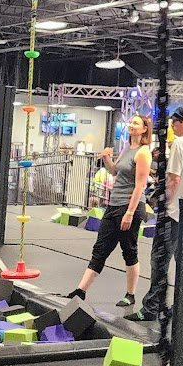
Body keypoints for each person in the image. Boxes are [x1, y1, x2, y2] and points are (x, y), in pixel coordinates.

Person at [64, 115, 151, 309]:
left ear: (144, 129)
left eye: (136, 123)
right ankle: (81, 290)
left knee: (129, 250)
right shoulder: (127, 148)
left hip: (130, 206)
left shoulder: (143, 152)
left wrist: (130, 213)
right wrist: (106, 158)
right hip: (113, 205)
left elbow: (140, 185)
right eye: (131, 122)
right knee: (100, 249)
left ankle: (130, 294)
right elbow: (114, 171)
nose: (131, 125)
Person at [142, 106, 183, 322]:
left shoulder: (180, 144)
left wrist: (162, 202)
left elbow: (174, 179)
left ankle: (152, 307)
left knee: (159, 260)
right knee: (182, 264)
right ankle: (179, 306)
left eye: (174, 123)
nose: (172, 127)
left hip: (173, 212)